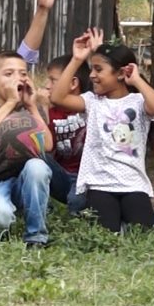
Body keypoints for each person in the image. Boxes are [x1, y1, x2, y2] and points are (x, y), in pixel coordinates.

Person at [50, 29, 154, 233]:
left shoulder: (139, 102)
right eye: (91, 69)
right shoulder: (92, 101)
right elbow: (58, 98)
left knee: (142, 234)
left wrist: (137, 79)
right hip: (100, 184)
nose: (92, 75)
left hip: (134, 185)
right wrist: (77, 59)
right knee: (106, 234)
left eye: (98, 69)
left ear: (121, 73)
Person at [0, 51, 54, 247]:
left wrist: (32, 107)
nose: (18, 78)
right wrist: (10, 102)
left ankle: (36, 237)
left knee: (37, 166)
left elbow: (47, 145)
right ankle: (0, 218)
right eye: (9, 74)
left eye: (23, 74)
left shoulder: (33, 110)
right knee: (0, 220)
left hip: (25, 182)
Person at [43, 54, 89, 214]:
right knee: (35, 154)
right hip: (61, 175)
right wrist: (40, 110)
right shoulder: (50, 112)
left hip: (88, 178)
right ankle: (42, 205)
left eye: (53, 80)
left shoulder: (91, 107)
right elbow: (46, 147)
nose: (47, 86)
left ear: (73, 83)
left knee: (76, 201)